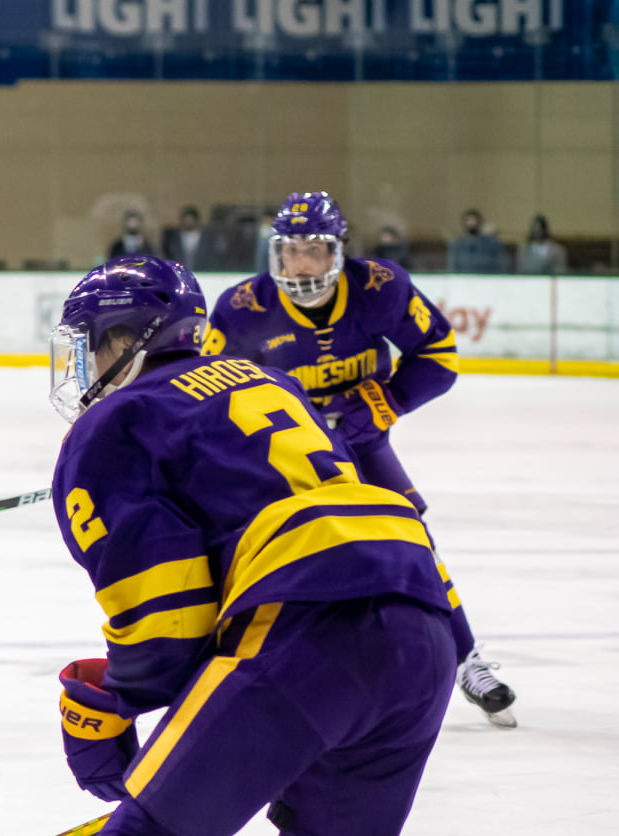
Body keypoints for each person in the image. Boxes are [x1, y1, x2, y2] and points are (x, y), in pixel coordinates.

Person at [0, 256, 619, 836]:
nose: (84, 366)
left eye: (96, 345)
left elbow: (164, 632)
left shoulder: (113, 426)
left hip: (313, 622)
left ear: (134, 340)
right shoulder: (265, 380)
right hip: (419, 621)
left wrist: (104, 702)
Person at [202, 192, 516, 726]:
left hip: (361, 441)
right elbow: (209, 391)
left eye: (314, 251)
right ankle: (248, 668)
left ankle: (465, 658)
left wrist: (384, 402)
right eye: (290, 251)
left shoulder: (379, 288)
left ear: (338, 252)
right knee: (260, 551)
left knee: (410, 539)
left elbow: (438, 356)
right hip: (284, 451)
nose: (301, 263)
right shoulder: (241, 308)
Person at [447, 208, 507, 274]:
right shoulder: (458, 245)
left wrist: (492, 237)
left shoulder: (490, 244)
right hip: (464, 280)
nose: (471, 223)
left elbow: (501, 264)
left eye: (474, 220)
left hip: (486, 279)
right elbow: (453, 267)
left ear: (480, 223)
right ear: (464, 223)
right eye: (468, 220)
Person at [160, 206, 214, 270]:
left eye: (191, 220)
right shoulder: (173, 239)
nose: (188, 222)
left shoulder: (208, 239)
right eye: (186, 220)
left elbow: (211, 260)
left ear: (197, 221)